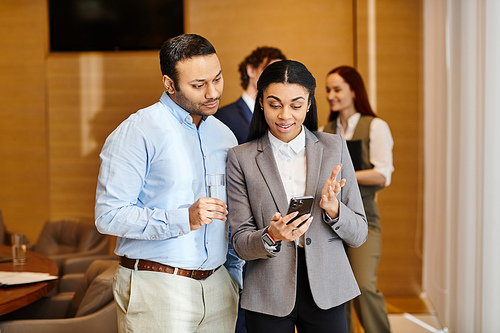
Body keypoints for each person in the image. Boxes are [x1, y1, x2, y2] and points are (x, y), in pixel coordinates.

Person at [95, 34, 244, 333]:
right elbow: (108, 215)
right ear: (169, 84)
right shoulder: (138, 132)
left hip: (218, 289)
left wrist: (233, 279)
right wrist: (183, 219)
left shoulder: (225, 135)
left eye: (217, 79)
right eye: (199, 85)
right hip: (157, 288)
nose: (213, 92)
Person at [226, 60, 368, 333]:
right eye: (274, 104)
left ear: (309, 104)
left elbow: (360, 233)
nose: (285, 115)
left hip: (327, 287)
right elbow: (241, 243)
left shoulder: (334, 147)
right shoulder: (240, 158)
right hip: (268, 292)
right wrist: (272, 235)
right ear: (261, 103)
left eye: (296, 105)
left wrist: (334, 209)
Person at [322, 65, 394, 333]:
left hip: (364, 219)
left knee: (363, 285)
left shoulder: (375, 126)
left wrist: (346, 177)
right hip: (329, 220)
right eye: (328, 90)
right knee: (339, 294)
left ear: (354, 91)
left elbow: (382, 175)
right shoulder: (325, 129)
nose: (331, 95)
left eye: (337, 89)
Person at [215, 46, 286, 144]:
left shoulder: (283, 116)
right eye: (269, 71)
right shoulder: (225, 116)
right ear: (251, 70)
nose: (276, 78)